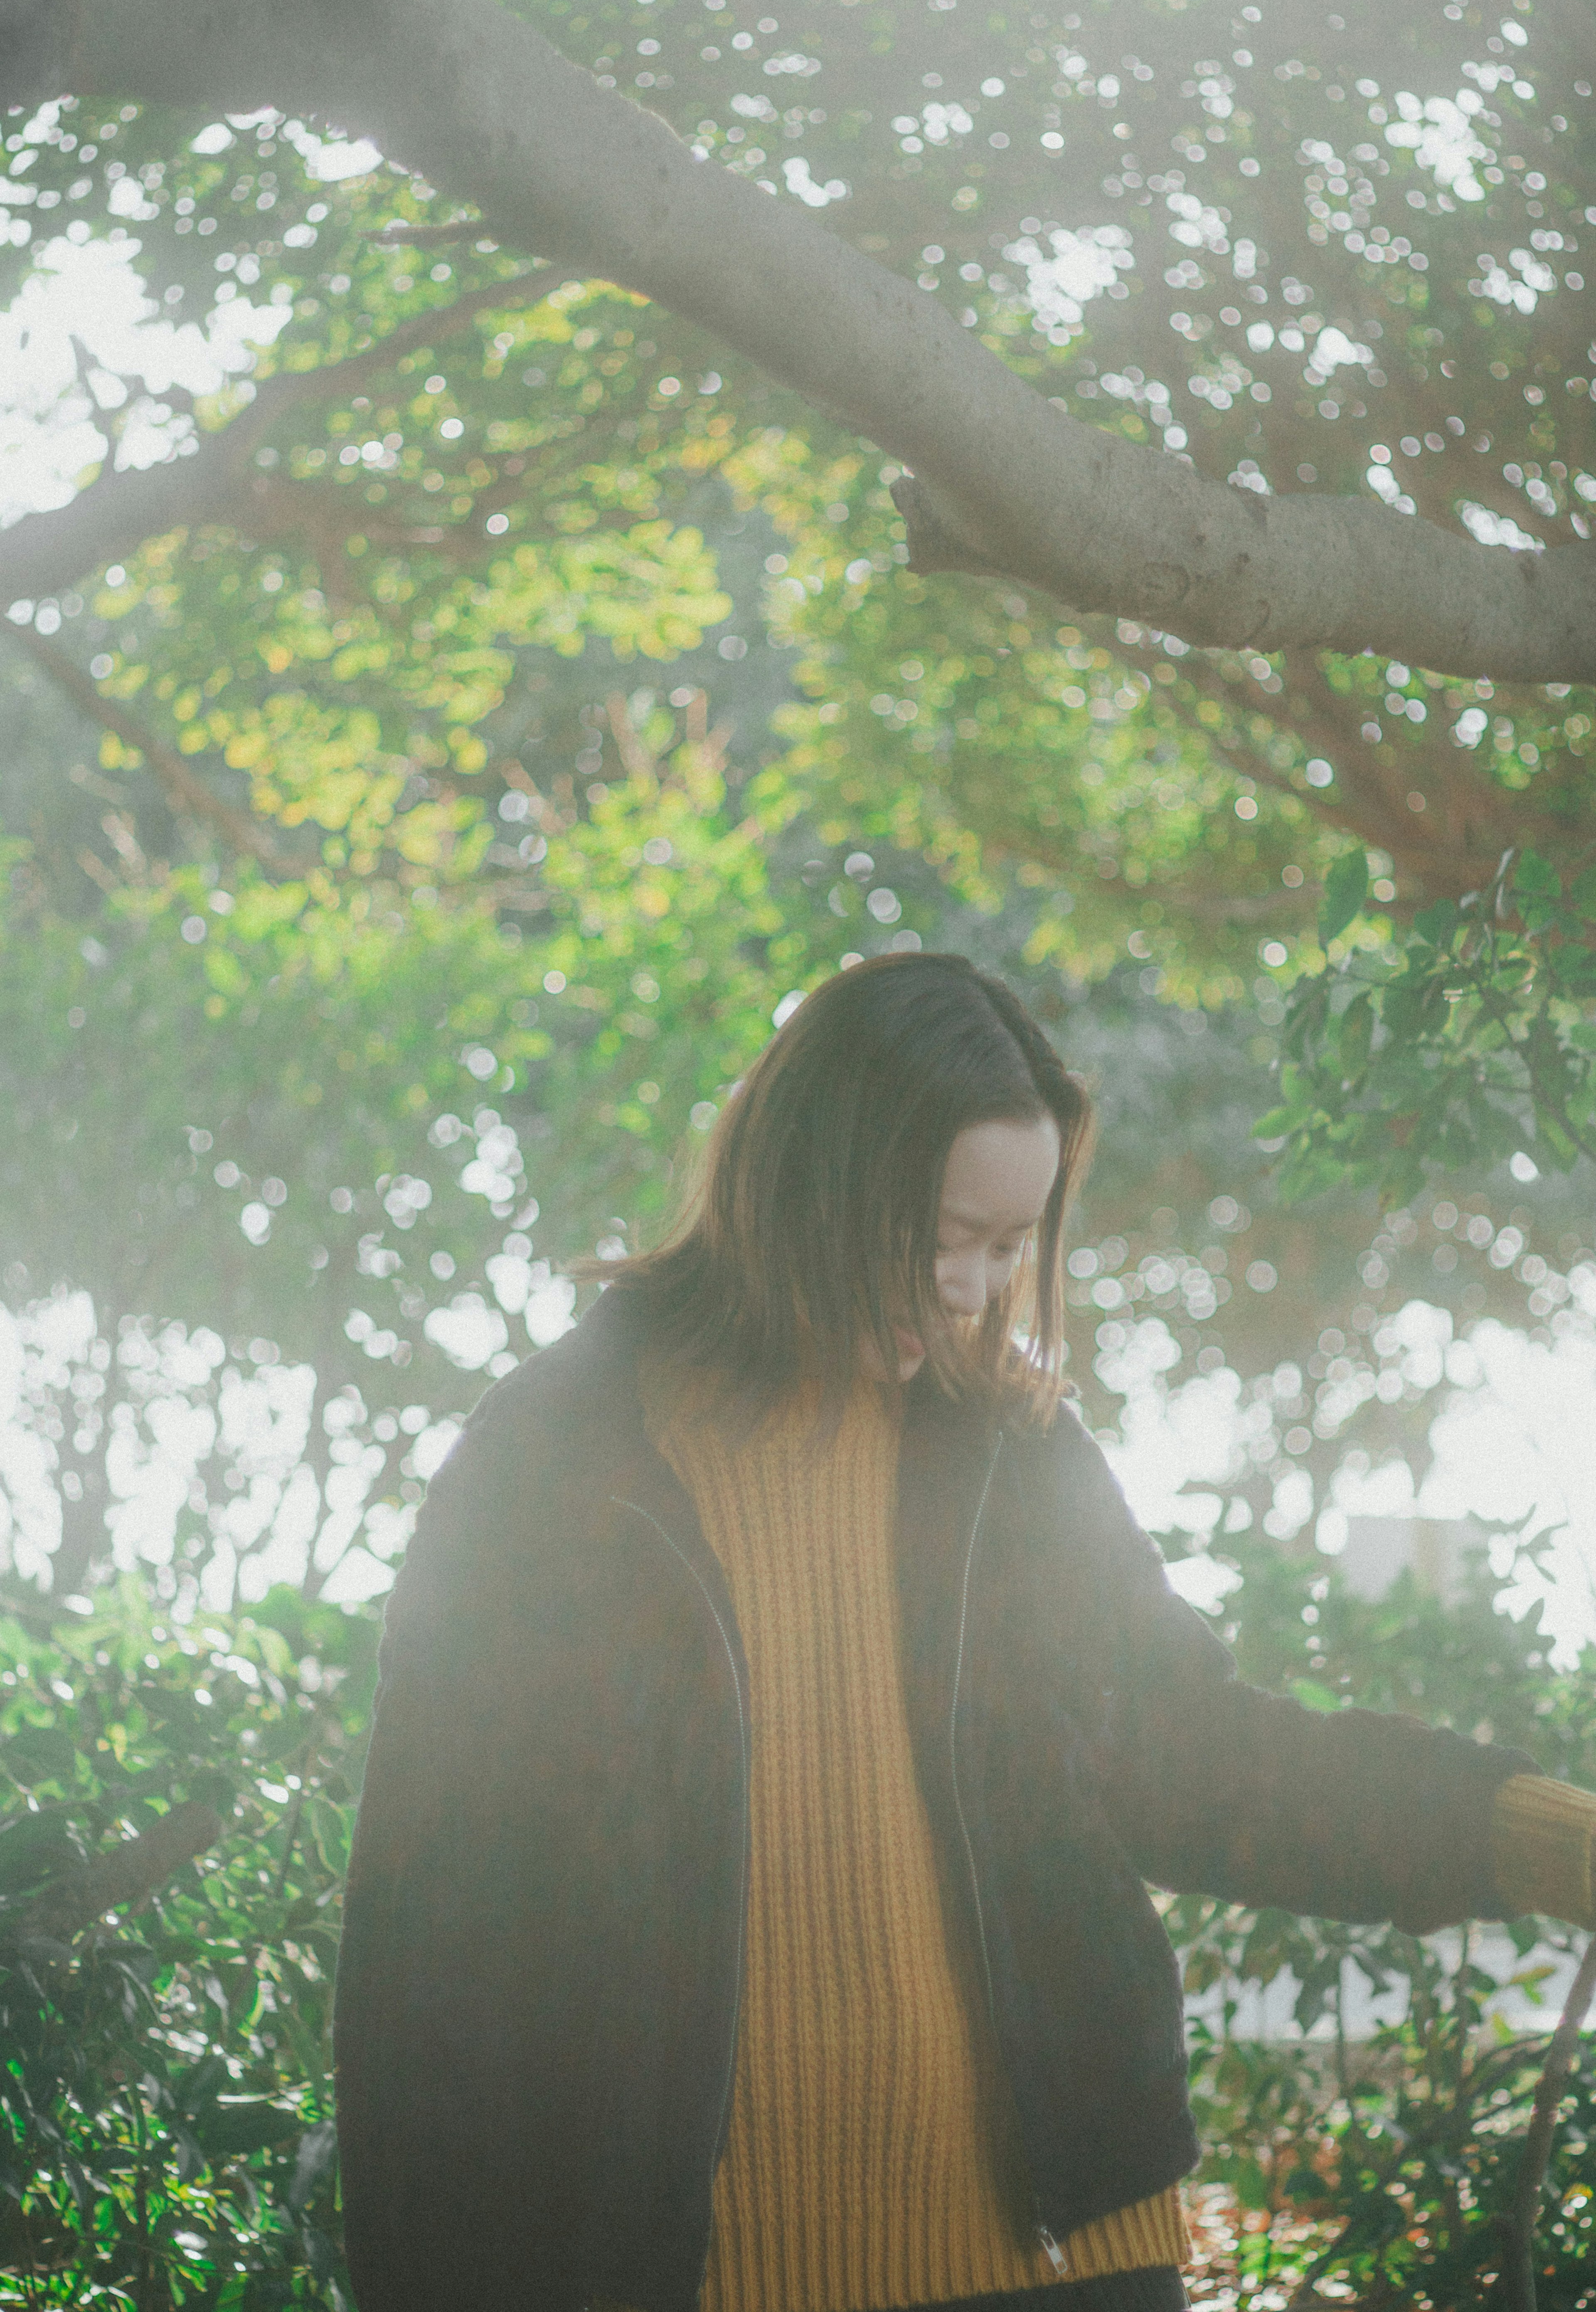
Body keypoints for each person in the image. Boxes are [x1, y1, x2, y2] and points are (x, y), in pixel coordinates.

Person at [334, 952, 1596, 2312]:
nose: (972, 1289)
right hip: (705, 2283)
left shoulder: (1021, 1459)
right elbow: (431, 1952)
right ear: (808, 1179)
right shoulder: (555, 1467)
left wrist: (1532, 1837)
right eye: (940, 1233)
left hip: (1062, 2265)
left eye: (1008, 1246)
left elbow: (1200, 1758)